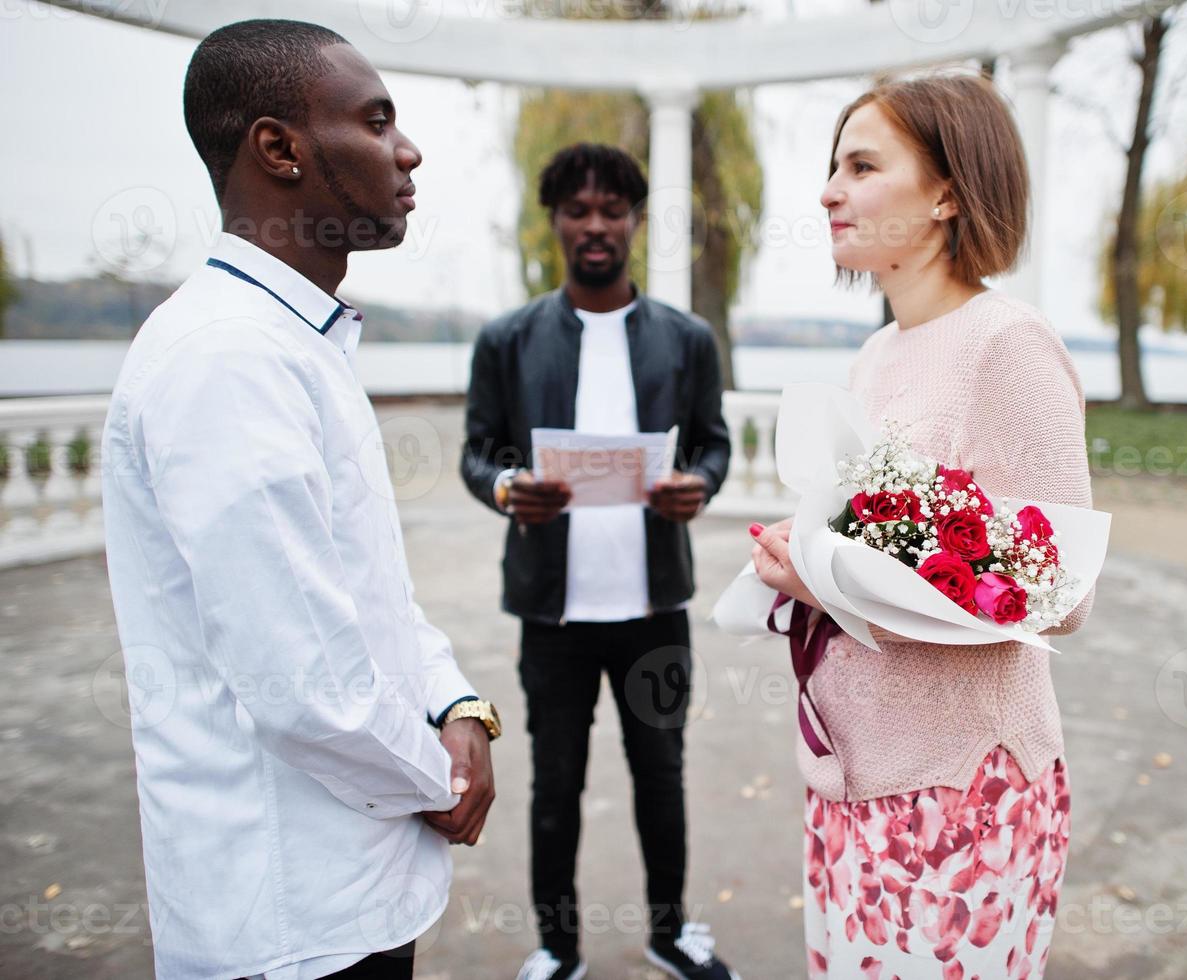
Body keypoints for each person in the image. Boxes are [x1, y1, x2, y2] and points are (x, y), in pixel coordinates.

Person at [99, 20, 498, 980]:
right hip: (287, 913)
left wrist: (457, 701)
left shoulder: (292, 340)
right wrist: (436, 771)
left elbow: (363, 587)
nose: (407, 151)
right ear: (277, 148)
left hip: (347, 887)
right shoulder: (227, 357)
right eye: (375, 121)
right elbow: (300, 683)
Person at [749, 74, 1096, 978]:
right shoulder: (877, 351)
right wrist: (808, 555)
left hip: (960, 793)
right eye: (833, 165)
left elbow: (1062, 592)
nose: (828, 190)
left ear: (946, 192)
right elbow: (889, 529)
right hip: (849, 776)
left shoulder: (1006, 344)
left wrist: (831, 571)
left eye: (861, 165)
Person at [460, 143, 736, 980]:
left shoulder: (687, 341)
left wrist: (698, 485)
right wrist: (509, 488)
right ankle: (557, 947)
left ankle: (667, 933)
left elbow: (715, 447)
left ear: (635, 222)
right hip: (553, 615)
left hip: (655, 611)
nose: (594, 226)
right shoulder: (508, 340)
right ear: (555, 222)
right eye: (577, 210)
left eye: (611, 211)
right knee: (554, 788)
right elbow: (478, 453)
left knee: (662, 778)